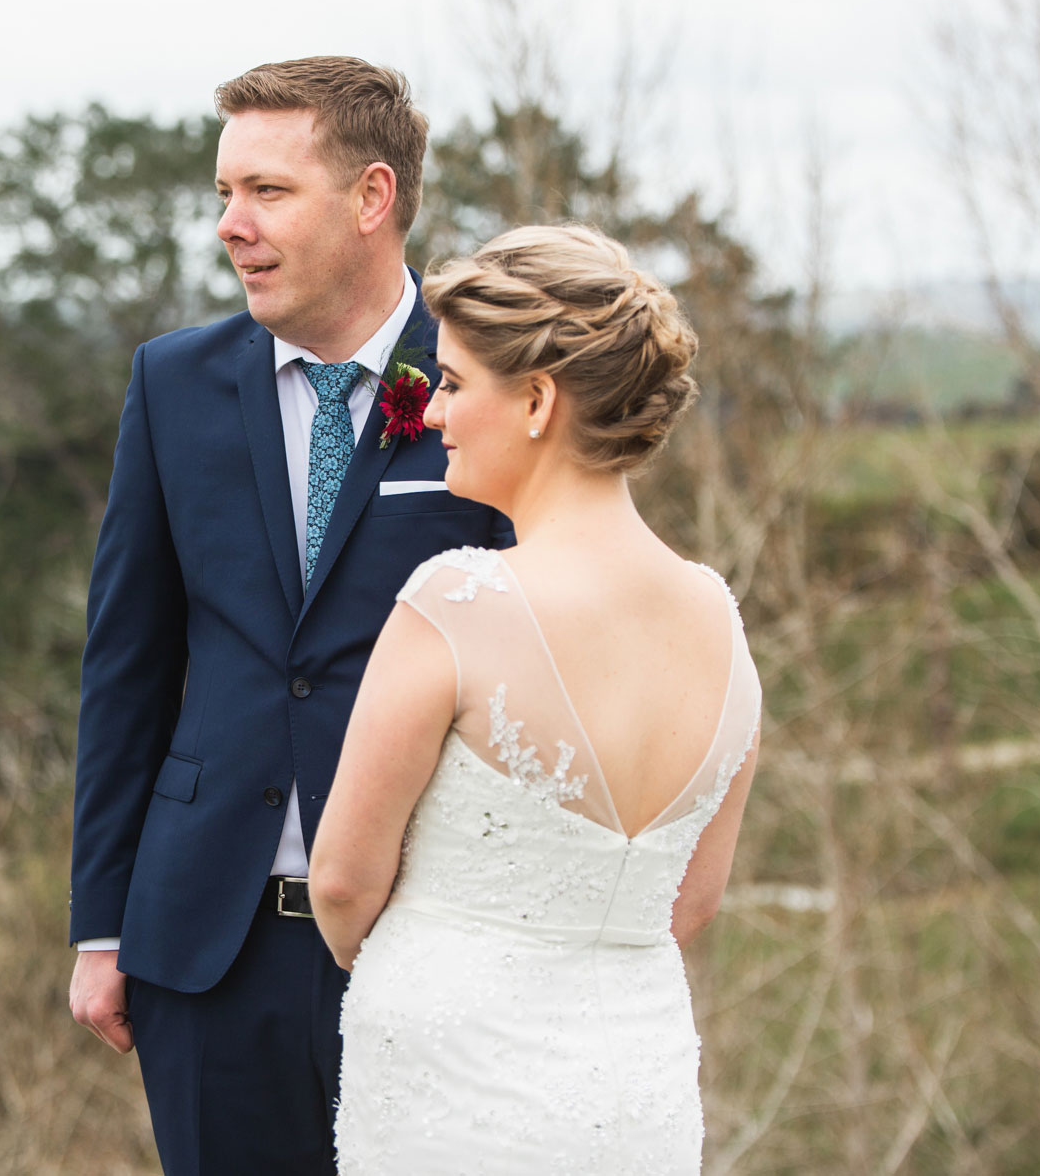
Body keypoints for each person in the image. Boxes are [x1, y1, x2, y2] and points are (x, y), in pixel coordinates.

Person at [67, 57, 513, 1174]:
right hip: (203, 952)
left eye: (265, 191)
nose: (231, 224)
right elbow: (128, 661)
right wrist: (101, 924)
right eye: (224, 193)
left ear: (370, 198)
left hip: (429, 940)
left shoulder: (478, 381)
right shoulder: (174, 382)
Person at [309, 224, 763, 1173]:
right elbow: (694, 899)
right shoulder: (719, 620)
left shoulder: (456, 602)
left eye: (457, 382)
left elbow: (343, 884)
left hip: (450, 1088)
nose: (432, 413)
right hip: (636, 1091)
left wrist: (437, 971)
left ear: (538, 400)